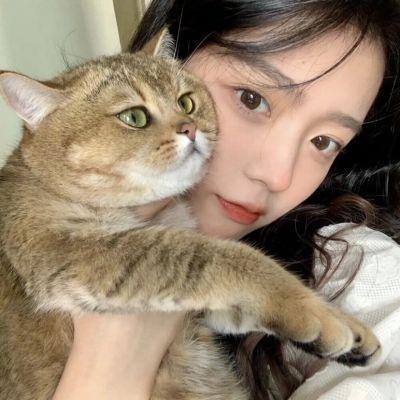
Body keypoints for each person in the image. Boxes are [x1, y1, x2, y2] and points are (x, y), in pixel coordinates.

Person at [52, 0, 400, 399]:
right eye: (251, 99)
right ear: (165, 60)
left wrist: (113, 362)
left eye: (324, 142)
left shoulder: (354, 271)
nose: (277, 176)